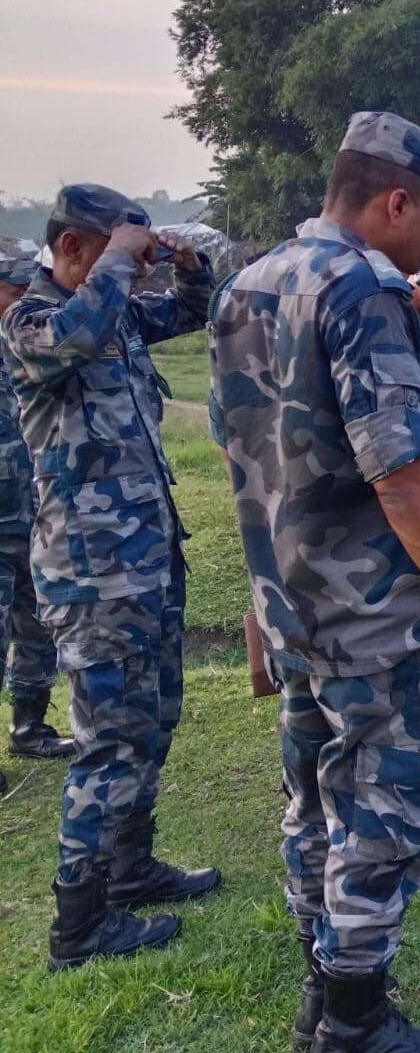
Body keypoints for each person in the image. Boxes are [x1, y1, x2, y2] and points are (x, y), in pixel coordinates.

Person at [210, 111, 420, 1053]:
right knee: (381, 810)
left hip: (297, 607)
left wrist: (263, 619)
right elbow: (405, 473)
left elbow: (249, 466)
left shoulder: (247, 286)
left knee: (312, 800)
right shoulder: (365, 292)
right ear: (396, 200)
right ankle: (354, 1026)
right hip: (376, 619)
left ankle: (324, 994)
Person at [3, 186, 219, 971]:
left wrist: (190, 266)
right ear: (71, 251)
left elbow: (194, 313)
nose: (127, 270)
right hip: (92, 578)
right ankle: (78, 927)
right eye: (111, 251)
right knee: (107, 745)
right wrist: (122, 263)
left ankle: (130, 870)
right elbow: (77, 331)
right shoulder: (31, 324)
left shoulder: (114, 313)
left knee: (152, 723)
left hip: (149, 562)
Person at [0, 241, 73, 762]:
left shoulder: (33, 343)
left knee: (37, 626)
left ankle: (29, 728)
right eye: (14, 287)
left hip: (37, 515)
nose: (24, 295)